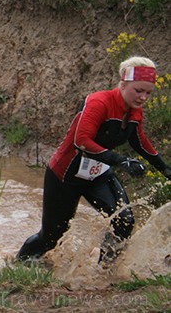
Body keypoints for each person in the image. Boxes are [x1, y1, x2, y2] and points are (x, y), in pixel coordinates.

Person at [17, 56, 171, 264]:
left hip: (98, 172)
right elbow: (82, 140)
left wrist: (165, 169)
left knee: (124, 221)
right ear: (123, 84)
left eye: (148, 93)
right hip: (65, 174)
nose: (143, 97)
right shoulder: (99, 102)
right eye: (138, 91)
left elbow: (139, 141)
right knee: (52, 237)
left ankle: (104, 273)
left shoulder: (135, 111)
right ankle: (20, 264)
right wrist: (121, 160)